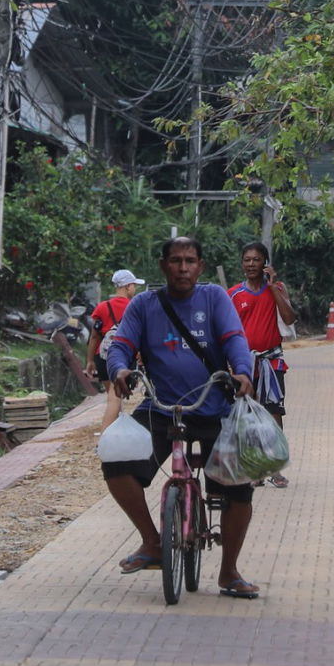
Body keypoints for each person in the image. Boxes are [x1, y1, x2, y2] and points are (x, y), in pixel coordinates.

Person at [103, 236, 261, 598]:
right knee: (116, 461)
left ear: (200, 266)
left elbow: (235, 337)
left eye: (191, 260)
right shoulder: (143, 305)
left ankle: (229, 572)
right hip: (160, 407)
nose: (184, 267)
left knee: (239, 489)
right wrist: (119, 370)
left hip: (213, 407)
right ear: (163, 266)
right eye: (176, 261)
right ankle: (152, 541)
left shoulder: (215, 298)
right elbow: (122, 344)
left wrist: (242, 371)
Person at [227, 242, 296, 488]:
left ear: (265, 263)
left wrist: (273, 287)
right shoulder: (234, 294)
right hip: (244, 364)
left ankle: (275, 469)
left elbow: (289, 318)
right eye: (247, 260)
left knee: (274, 413)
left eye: (256, 260)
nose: (251, 264)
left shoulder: (276, 289)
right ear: (242, 263)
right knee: (247, 416)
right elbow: (226, 330)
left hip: (271, 361)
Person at [85, 269, 144, 432]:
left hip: (102, 358)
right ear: (128, 286)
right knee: (115, 397)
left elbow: (95, 337)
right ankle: (105, 437)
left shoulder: (102, 307)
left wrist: (90, 361)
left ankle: (114, 433)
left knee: (113, 395)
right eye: (134, 285)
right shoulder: (135, 306)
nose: (135, 289)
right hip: (124, 358)